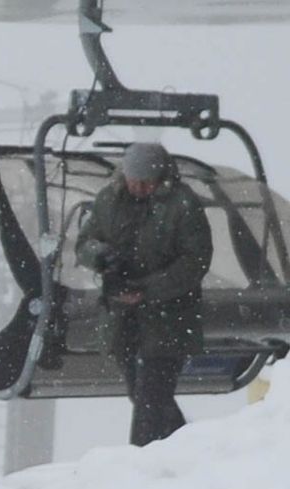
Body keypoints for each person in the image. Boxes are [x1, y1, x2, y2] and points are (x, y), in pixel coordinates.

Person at [74, 141, 212, 447]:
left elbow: (195, 261)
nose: (139, 188)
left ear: (160, 176)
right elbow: (84, 243)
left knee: (151, 397)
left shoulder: (182, 205)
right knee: (144, 394)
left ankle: (138, 461)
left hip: (169, 319)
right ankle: (187, 448)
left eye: (146, 182)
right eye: (133, 181)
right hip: (124, 319)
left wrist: (148, 289)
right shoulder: (109, 200)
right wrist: (101, 257)